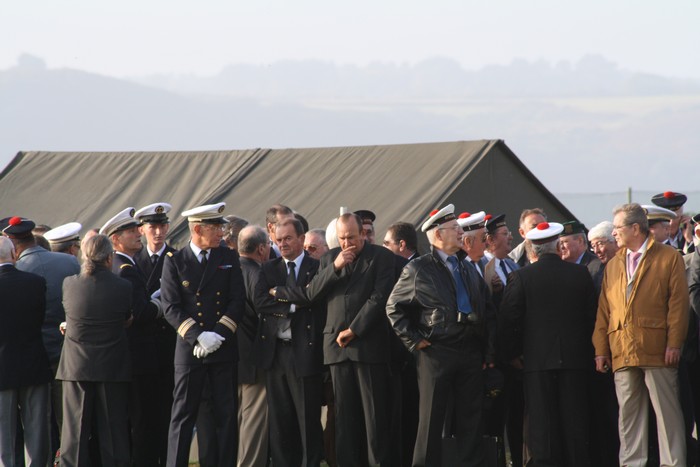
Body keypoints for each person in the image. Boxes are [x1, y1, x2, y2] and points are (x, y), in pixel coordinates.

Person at [273, 212, 395, 466]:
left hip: (368, 347)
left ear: (363, 233)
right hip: (337, 351)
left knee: (374, 418)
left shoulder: (381, 257)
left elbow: (380, 297)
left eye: (352, 237)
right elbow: (311, 294)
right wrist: (336, 266)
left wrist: (355, 329)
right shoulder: (329, 258)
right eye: (342, 238)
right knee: (344, 419)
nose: (347, 243)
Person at [387, 204, 492, 466]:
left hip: (469, 350)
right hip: (436, 352)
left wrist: (487, 350)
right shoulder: (419, 268)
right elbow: (393, 307)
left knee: (471, 418)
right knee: (431, 421)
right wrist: (414, 339)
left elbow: (487, 308)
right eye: (454, 228)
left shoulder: (467, 267)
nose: (460, 232)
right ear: (437, 235)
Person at [593, 203, 689, 466]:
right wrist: (601, 349)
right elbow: (604, 309)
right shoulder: (614, 264)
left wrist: (674, 343)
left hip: (657, 349)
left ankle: (673, 463)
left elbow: (678, 306)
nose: (614, 234)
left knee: (667, 415)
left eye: (618, 228)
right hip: (622, 349)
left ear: (635, 228)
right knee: (629, 418)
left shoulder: (668, 257)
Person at [500, 221, 596, 466]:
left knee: (542, 425)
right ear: (557, 247)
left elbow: (508, 319)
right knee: (575, 423)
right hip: (576, 361)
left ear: (532, 250)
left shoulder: (520, 277)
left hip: (536, 362)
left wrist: (512, 354)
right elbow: (591, 317)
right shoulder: (579, 274)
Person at [161, 202, 245, 467]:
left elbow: (237, 301)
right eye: (217, 227)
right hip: (190, 350)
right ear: (198, 229)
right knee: (183, 416)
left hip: (221, 347)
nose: (223, 232)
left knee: (226, 415)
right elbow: (170, 306)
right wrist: (197, 336)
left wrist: (217, 335)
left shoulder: (228, 258)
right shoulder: (175, 261)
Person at [4, 216, 80, 455]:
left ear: (12, 245)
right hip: (67, 353)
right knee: (68, 422)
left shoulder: (16, 273)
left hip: (27, 358)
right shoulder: (70, 262)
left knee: (28, 426)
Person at [254, 218, 325, 466]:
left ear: (301, 239)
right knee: (280, 421)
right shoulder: (268, 269)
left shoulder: (316, 267)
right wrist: (295, 304)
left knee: (308, 419)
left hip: (304, 352)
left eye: (288, 239)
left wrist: (281, 294)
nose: (282, 244)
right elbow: (260, 301)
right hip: (275, 354)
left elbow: (313, 297)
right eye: (278, 239)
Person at [57, 234, 133, 466]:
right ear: (109, 258)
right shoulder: (123, 286)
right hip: (111, 366)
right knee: (113, 434)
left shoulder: (69, 283)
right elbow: (126, 320)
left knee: (75, 435)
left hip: (76, 366)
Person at [101, 207, 162, 466]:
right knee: (143, 421)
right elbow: (141, 312)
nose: (138, 234)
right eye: (129, 232)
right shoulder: (125, 268)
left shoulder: (121, 264)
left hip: (131, 357)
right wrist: (162, 303)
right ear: (115, 239)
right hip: (139, 357)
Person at [0, 235, 52, 467]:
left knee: (4, 441)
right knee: (36, 434)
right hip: (33, 364)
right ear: (14, 254)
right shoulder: (35, 282)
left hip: (2, 371)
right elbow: (39, 320)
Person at [133, 202, 178, 465]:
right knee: (143, 413)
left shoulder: (177, 258)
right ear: (142, 229)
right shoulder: (133, 261)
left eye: (162, 226)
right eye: (153, 227)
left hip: (168, 345)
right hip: (142, 346)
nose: (159, 232)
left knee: (167, 410)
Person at [235, 225, 271, 467]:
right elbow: (265, 315)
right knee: (254, 421)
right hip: (255, 360)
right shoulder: (258, 274)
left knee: (238, 418)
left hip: (229, 358)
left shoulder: (227, 270)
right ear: (261, 248)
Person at [457, 211, 487, 277]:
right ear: (468, 242)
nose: (487, 242)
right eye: (484, 238)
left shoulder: (481, 263)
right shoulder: (459, 270)